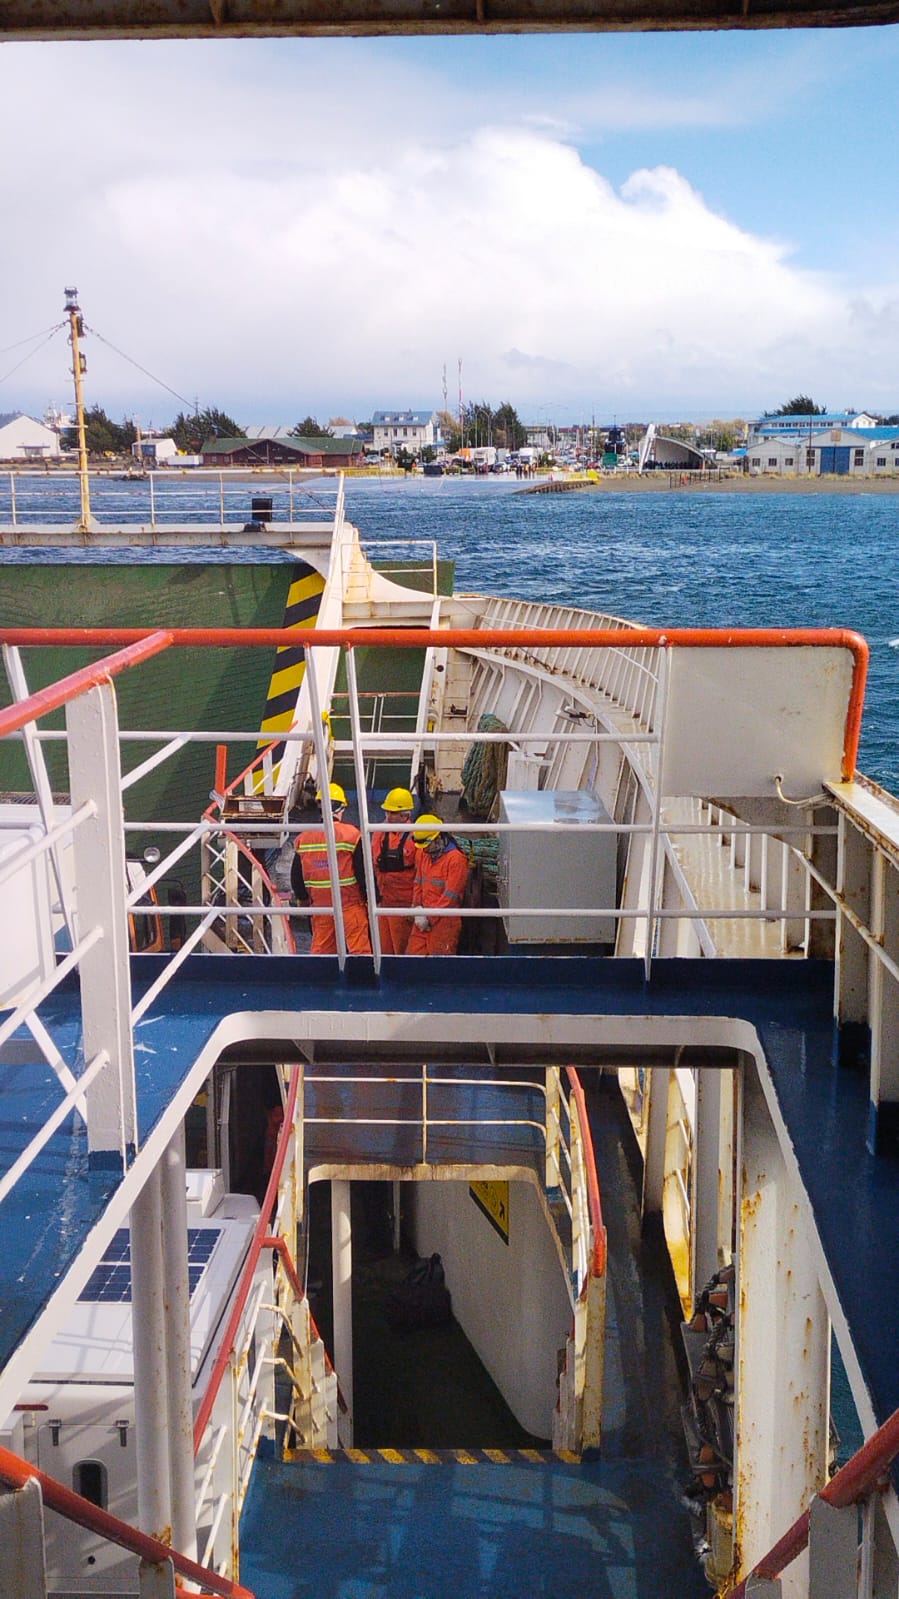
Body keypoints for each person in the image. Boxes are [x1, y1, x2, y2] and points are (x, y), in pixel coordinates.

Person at [291, 782, 372, 955]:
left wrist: (303, 899)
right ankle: (361, 981)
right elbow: (363, 872)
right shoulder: (351, 835)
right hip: (350, 904)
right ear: (340, 808)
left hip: (321, 906)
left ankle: (319, 981)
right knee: (360, 951)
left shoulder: (304, 838)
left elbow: (296, 877)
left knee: (322, 952)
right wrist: (370, 898)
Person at [406, 815, 469, 956]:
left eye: (427, 845)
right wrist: (416, 907)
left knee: (439, 964)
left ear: (438, 838)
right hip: (423, 917)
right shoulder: (423, 854)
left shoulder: (456, 860)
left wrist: (429, 918)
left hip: (445, 922)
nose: (425, 849)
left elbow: (450, 897)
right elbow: (418, 882)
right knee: (412, 958)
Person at [373, 786, 418, 955]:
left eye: (392, 813)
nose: (388, 817)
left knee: (401, 948)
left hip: (404, 903)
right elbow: (375, 863)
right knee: (384, 948)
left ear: (405, 815)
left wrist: (416, 904)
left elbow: (421, 872)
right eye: (387, 813)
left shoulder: (415, 835)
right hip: (384, 900)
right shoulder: (379, 833)